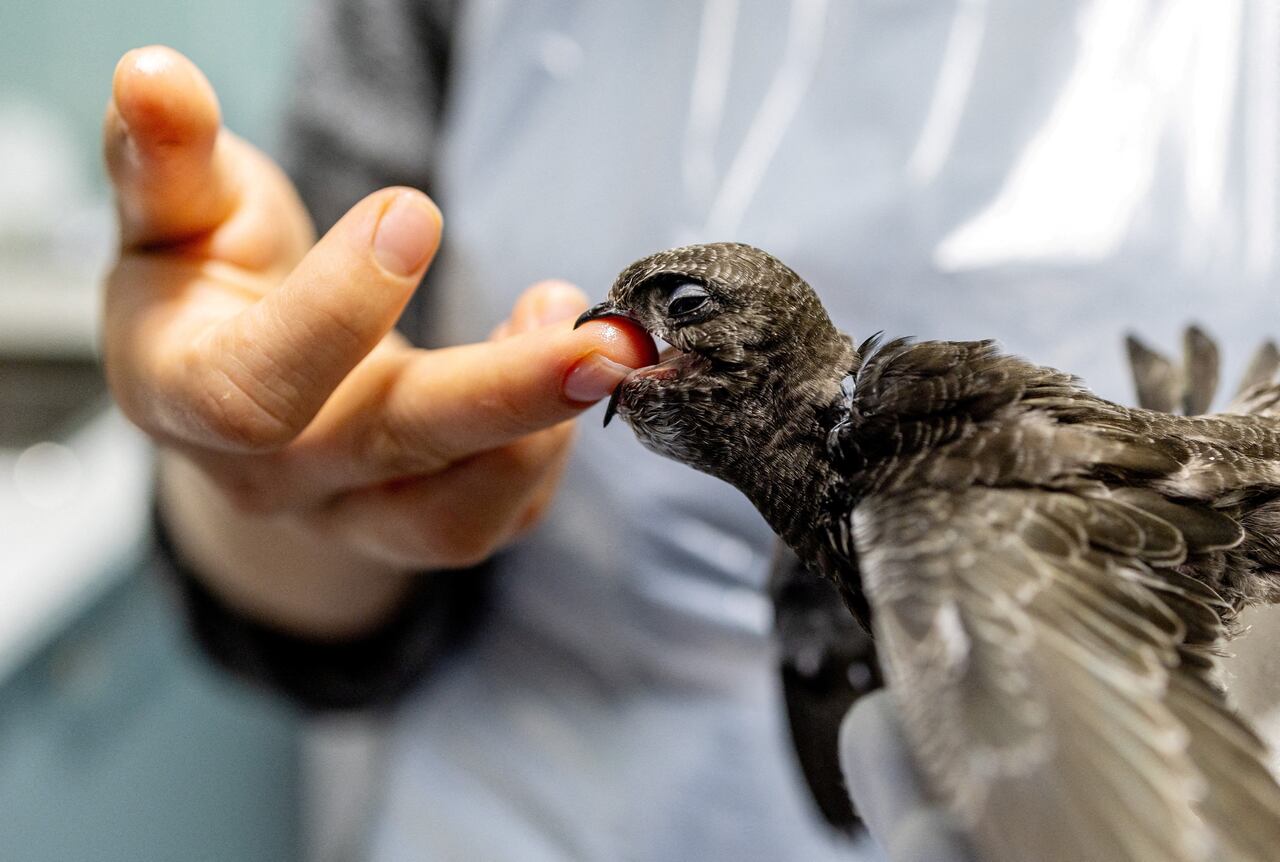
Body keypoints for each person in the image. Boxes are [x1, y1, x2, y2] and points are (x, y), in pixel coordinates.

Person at [101, 2, 1279, 859]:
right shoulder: (828, 484)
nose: (615, 338)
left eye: (678, 310)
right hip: (542, 810)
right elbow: (291, 561)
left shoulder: (923, 497)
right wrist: (274, 463)